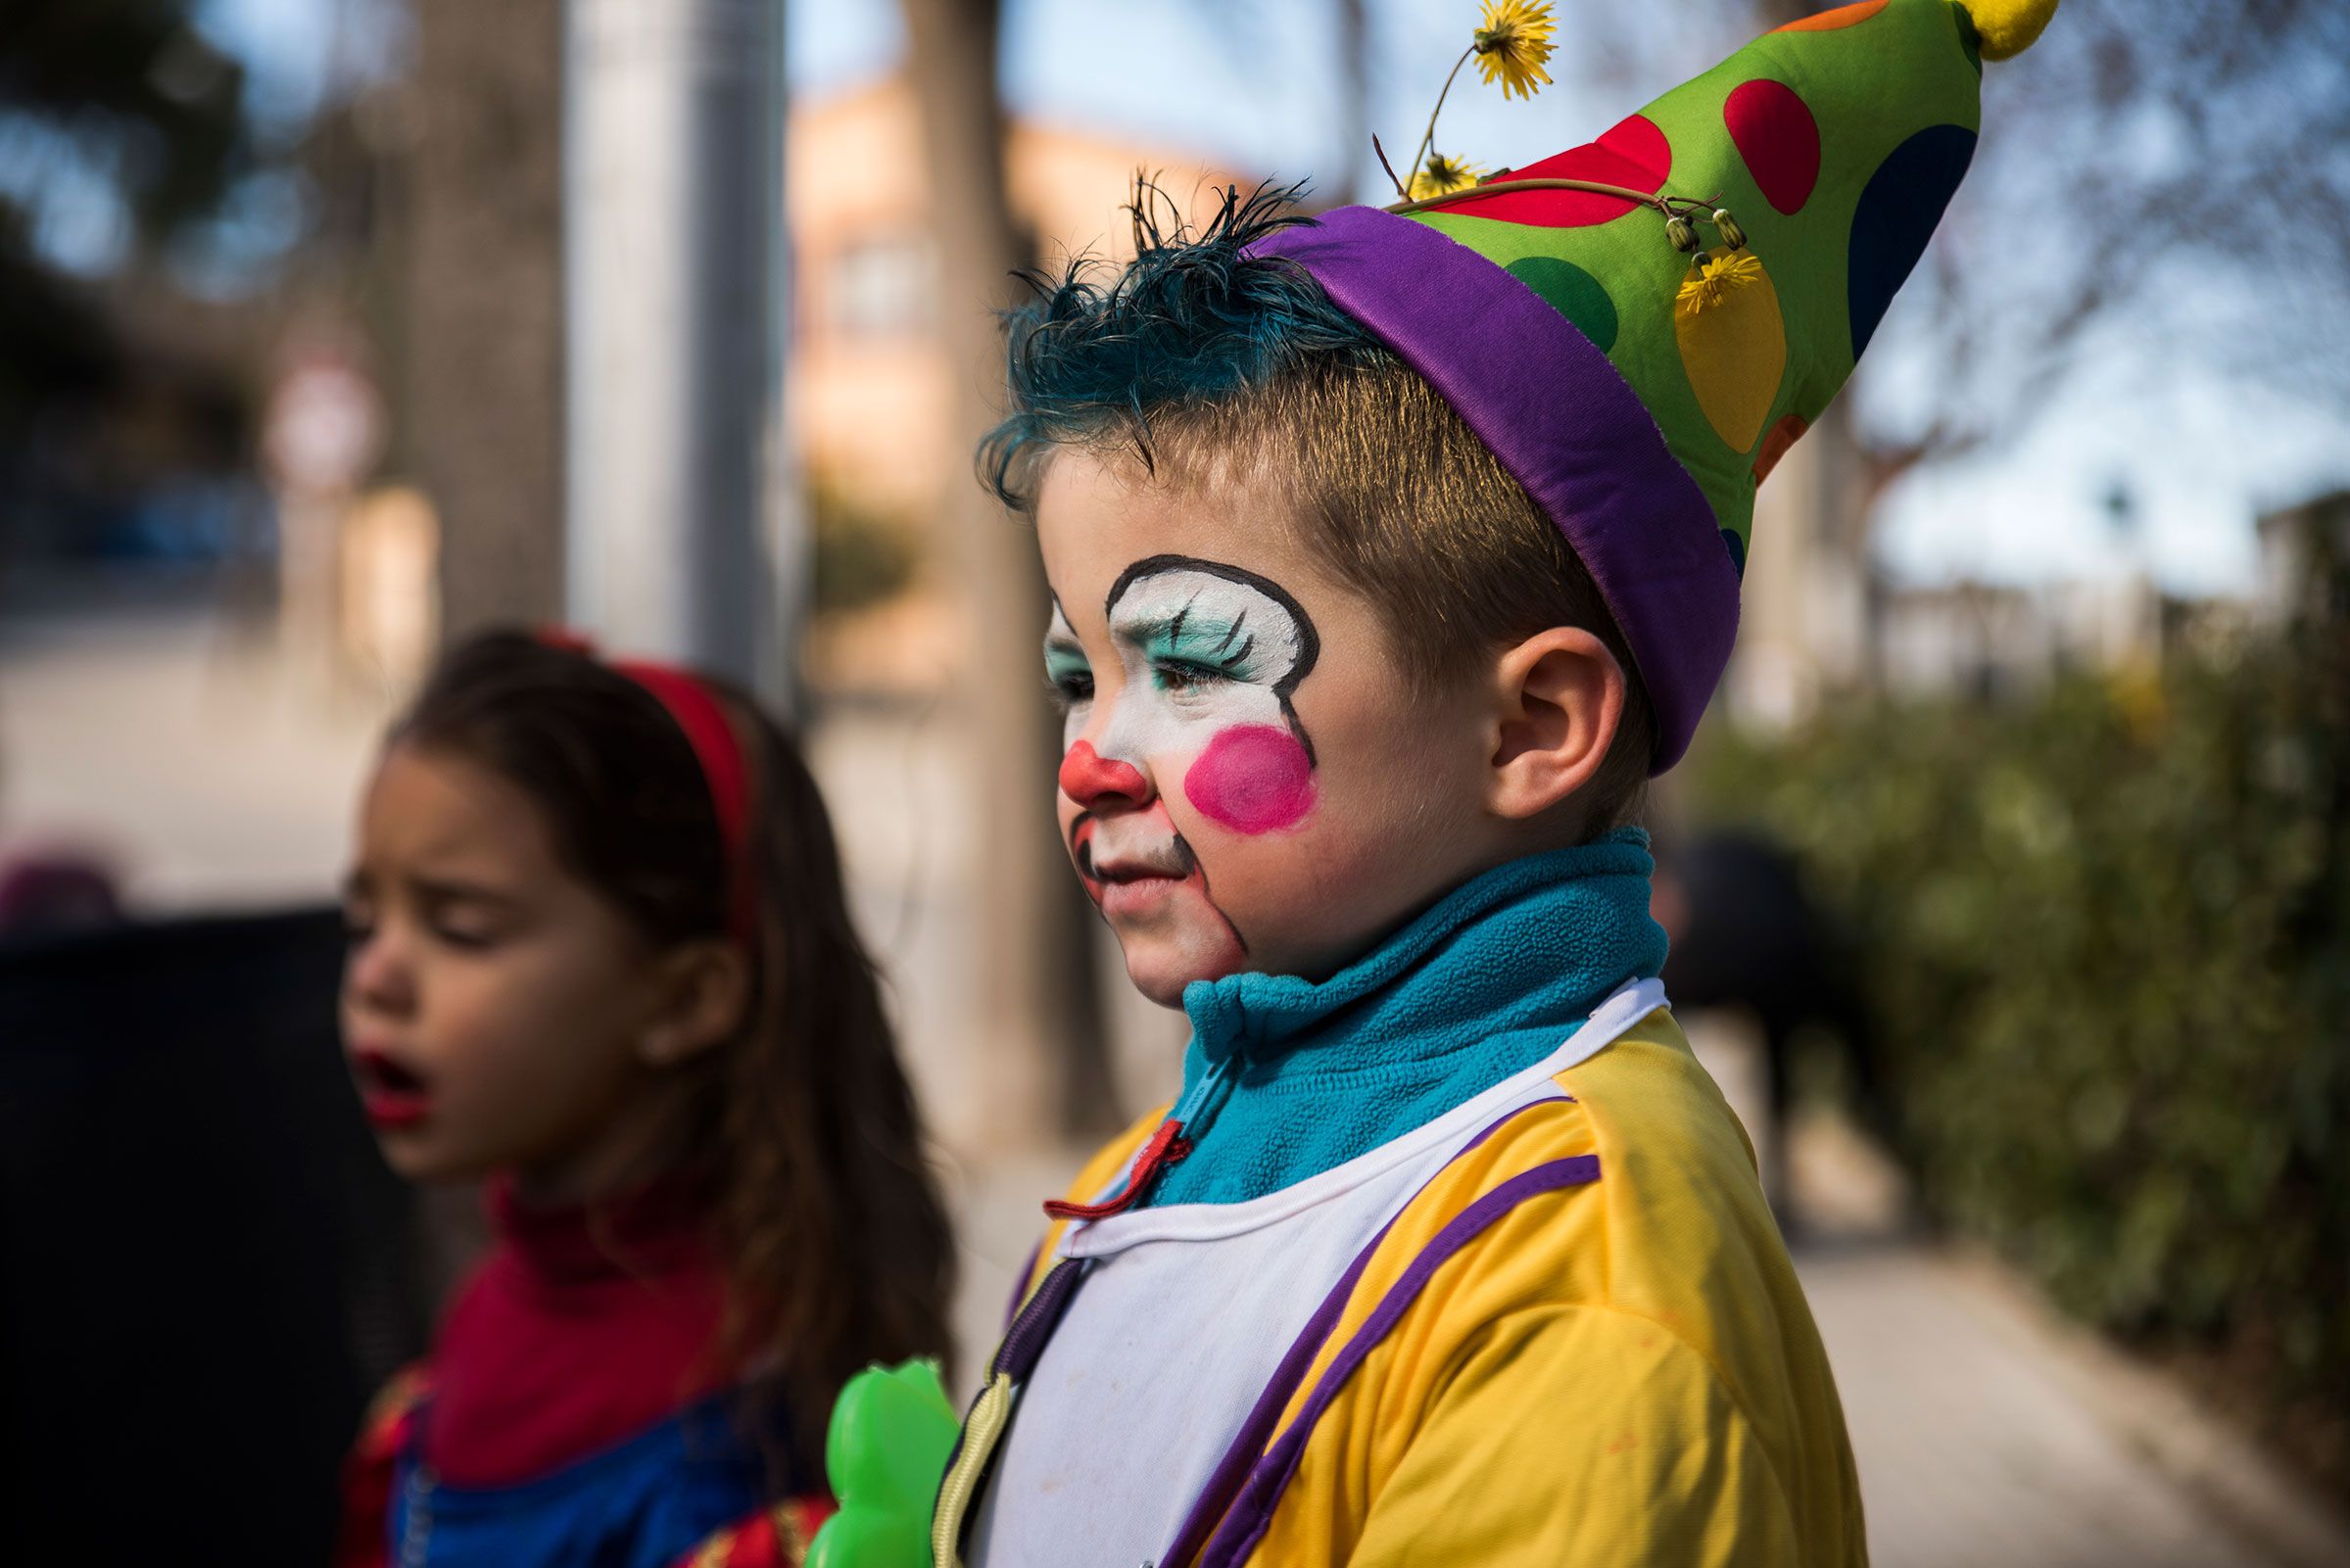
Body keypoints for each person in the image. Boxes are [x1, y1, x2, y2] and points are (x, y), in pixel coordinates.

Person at [923, 1, 2060, 1562]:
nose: (1088, 759)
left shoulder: (1585, 1290)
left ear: (1532, 729)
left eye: (1185, 662)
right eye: (1078, 675)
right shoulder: (1152, 1164)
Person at [335, 630, 954, 1568]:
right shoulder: (482, 1311)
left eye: (459, 925)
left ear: (683, 998)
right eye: (364, 917)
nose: (374, 975)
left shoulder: (737, 1452)